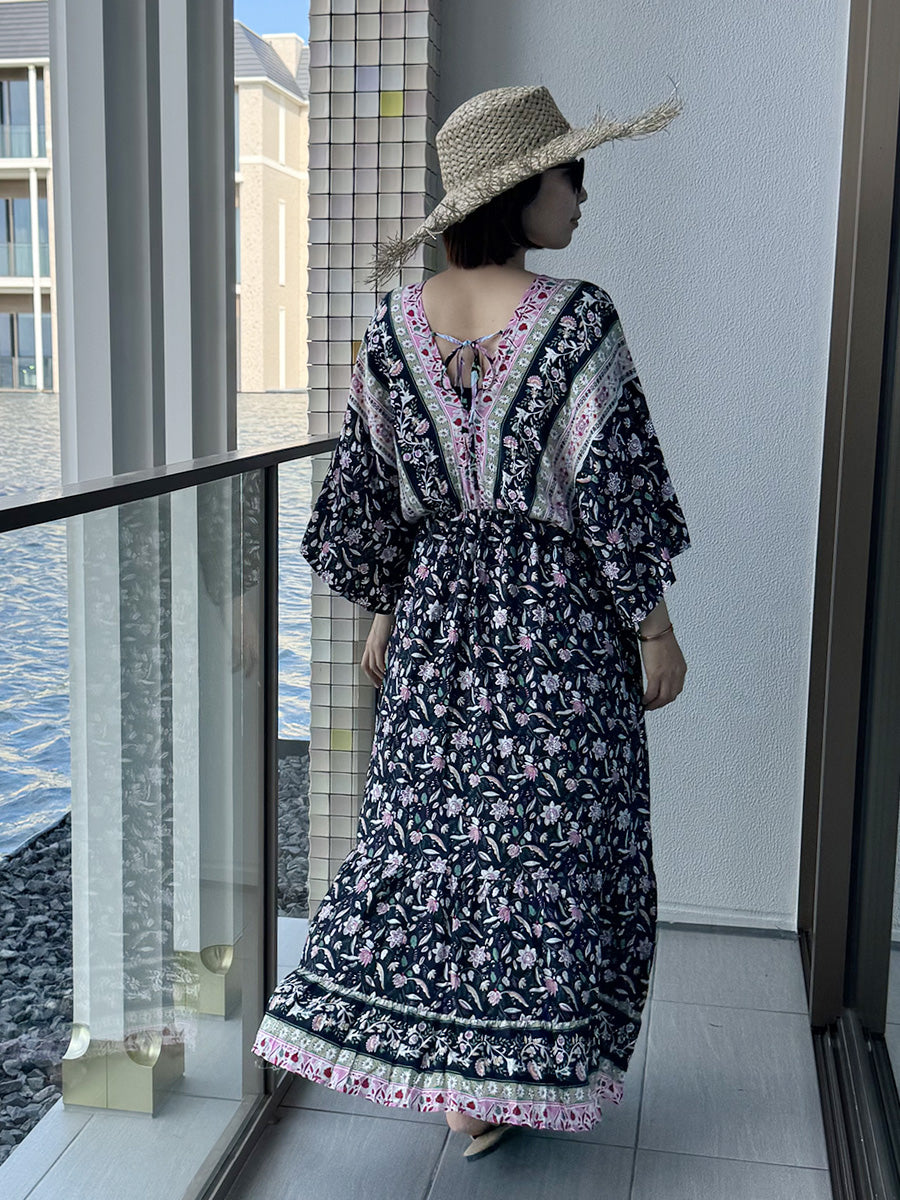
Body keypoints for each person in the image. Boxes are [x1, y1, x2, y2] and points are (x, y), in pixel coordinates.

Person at [252, 83, 692, 1163]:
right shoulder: (579, 319)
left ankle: (464, 1088)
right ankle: (506, 1077)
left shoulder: (394, 328)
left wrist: (387, 608)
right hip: (557, 631)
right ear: (522, 190)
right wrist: (653, 627)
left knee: (433, 845)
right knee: (549, 847)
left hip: (438, 627)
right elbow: (616, 494)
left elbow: (368, 492)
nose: (581, 196)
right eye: (570, 176)